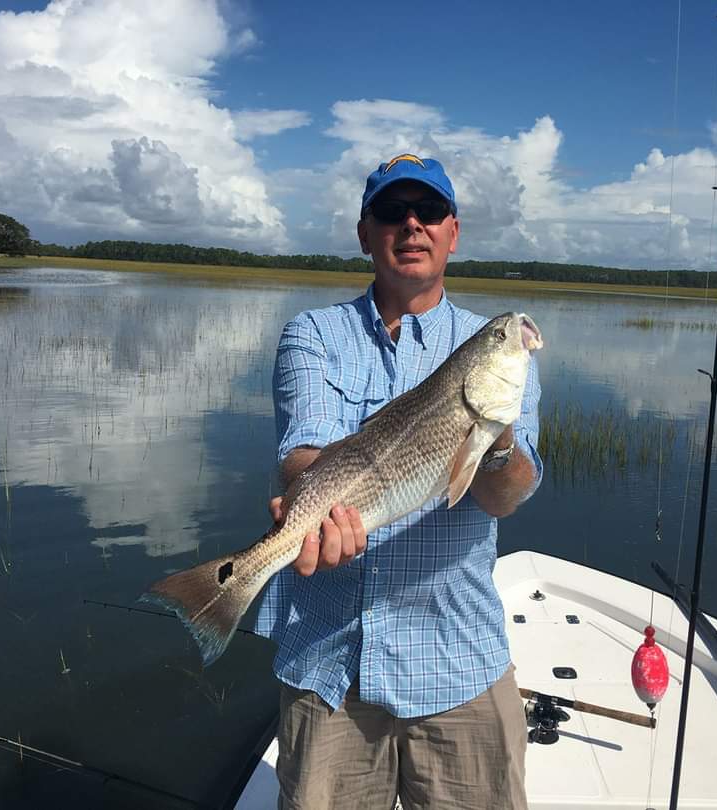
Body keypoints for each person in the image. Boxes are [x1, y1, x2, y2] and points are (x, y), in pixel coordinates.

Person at [254, 154, 543, 809]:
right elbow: (304, 449)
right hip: (328, 668)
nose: (412, 225)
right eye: (392, 212)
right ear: (365, 234)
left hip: (459, 661)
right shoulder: (314, 334)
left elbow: (506, 494)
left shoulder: (494, 349)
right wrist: (313, 506)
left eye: (429, 212)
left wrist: (492, 438)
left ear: (453, 232)